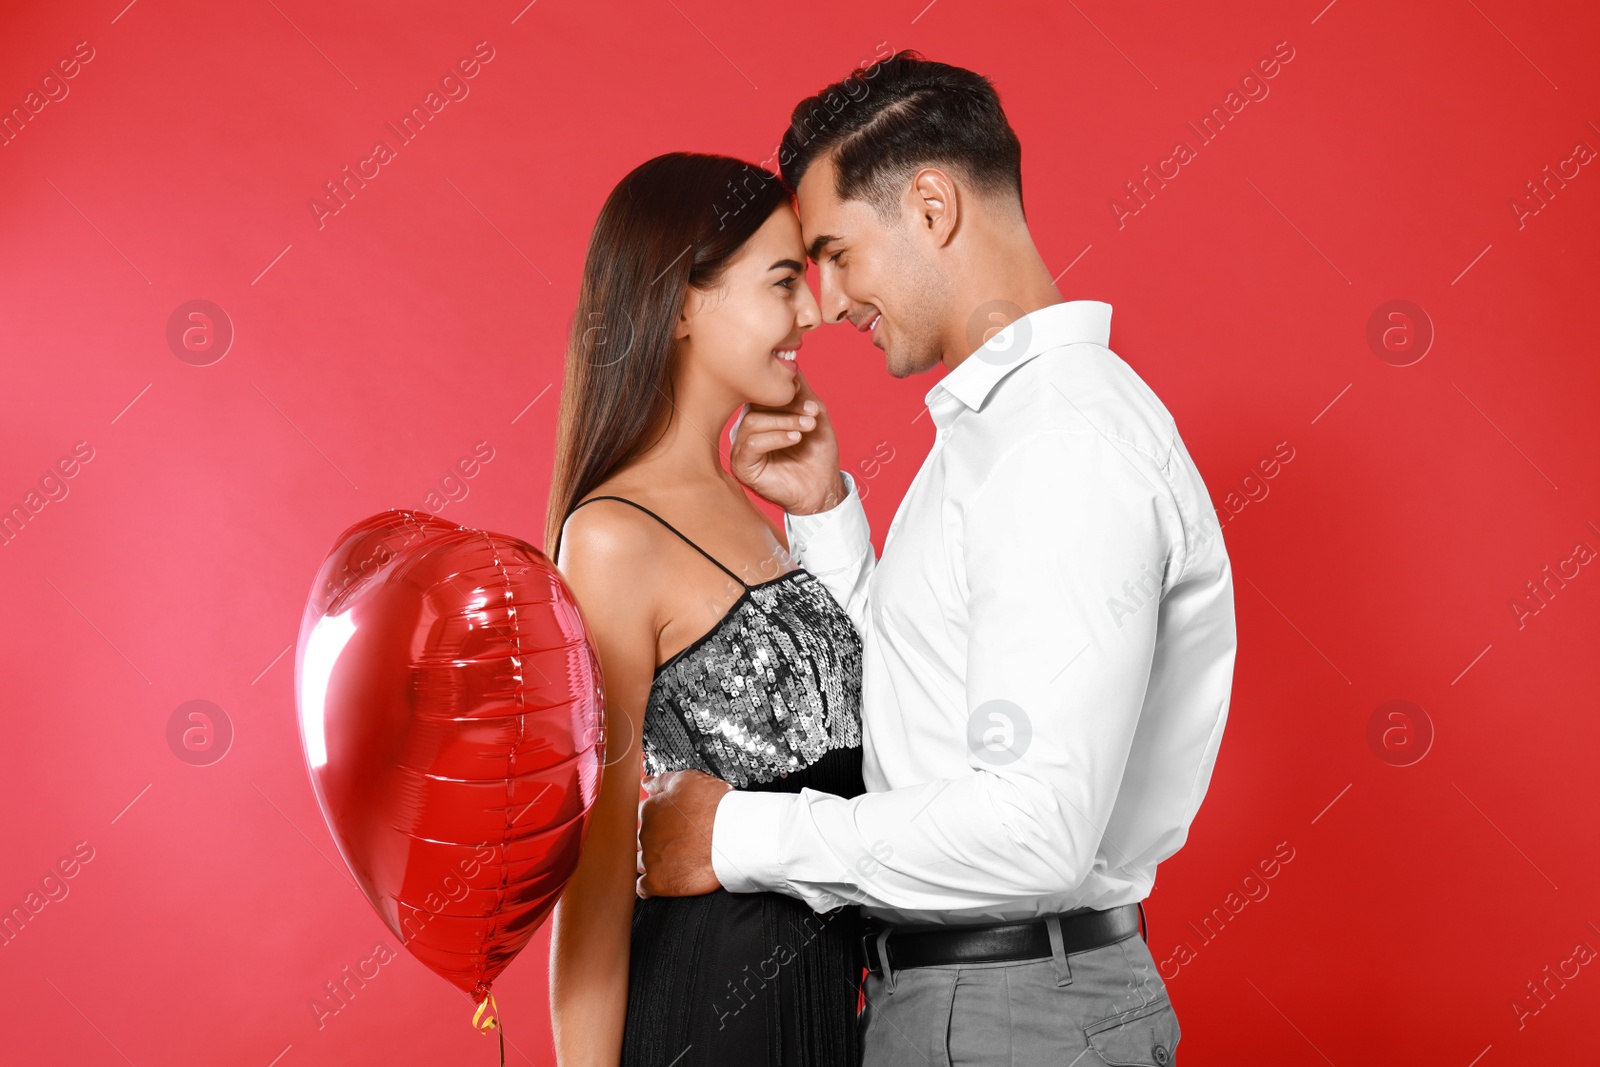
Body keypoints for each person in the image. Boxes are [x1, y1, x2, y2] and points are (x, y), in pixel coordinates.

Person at [636, 52, 1238, 1065]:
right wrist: (825, 513)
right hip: (971, 1000)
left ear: (929, 205)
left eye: (835, 251)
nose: (825, 304)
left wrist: (736, 835)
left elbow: (1031, 828)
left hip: (1009, 1012)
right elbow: (933, 717)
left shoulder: (1058, 446)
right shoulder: (1002, 435)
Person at [545, 151, 868, 1066]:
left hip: (833, 998)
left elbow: (879, 735)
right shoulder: (611, 537)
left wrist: (821, 509)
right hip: (721, 1016)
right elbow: (600, 877)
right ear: (683, 303)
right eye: (783, 282)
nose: (814, 311)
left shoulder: (747, 498)